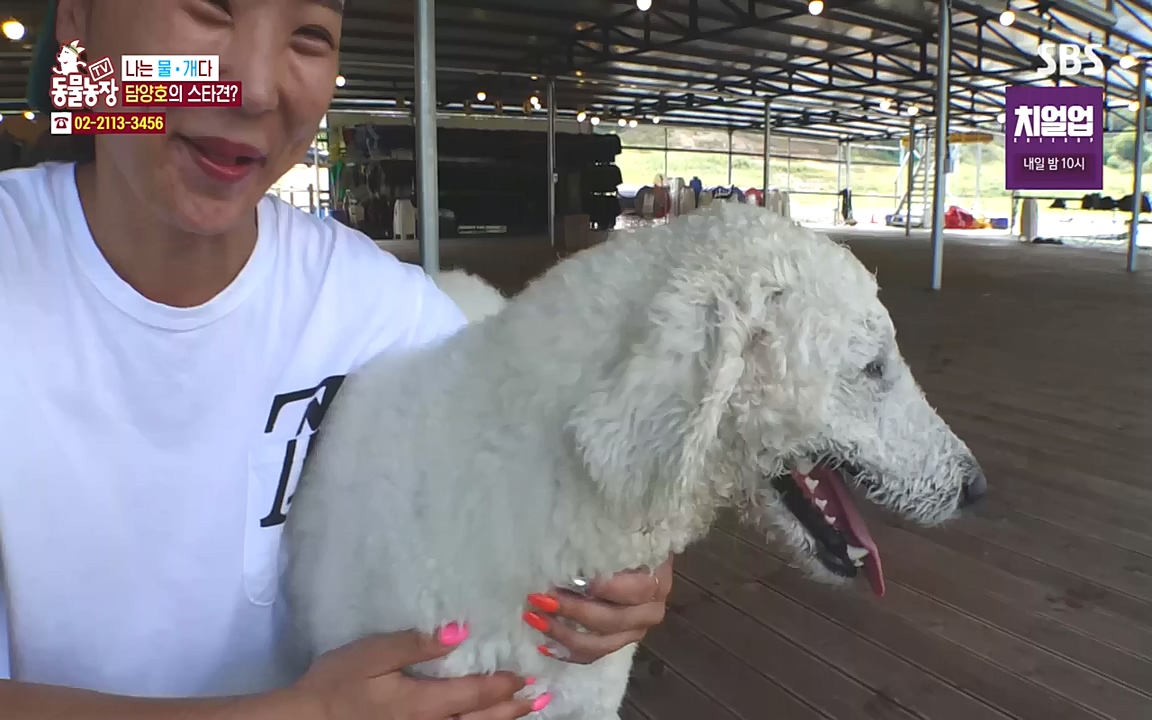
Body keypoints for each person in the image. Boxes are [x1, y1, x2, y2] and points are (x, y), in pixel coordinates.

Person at [0, 1, 673, 718]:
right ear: (78, 20)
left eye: (309, 35)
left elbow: (526, 454)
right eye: (209, 8)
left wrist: (624, 563)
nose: (256, 88)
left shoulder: (381, 314)